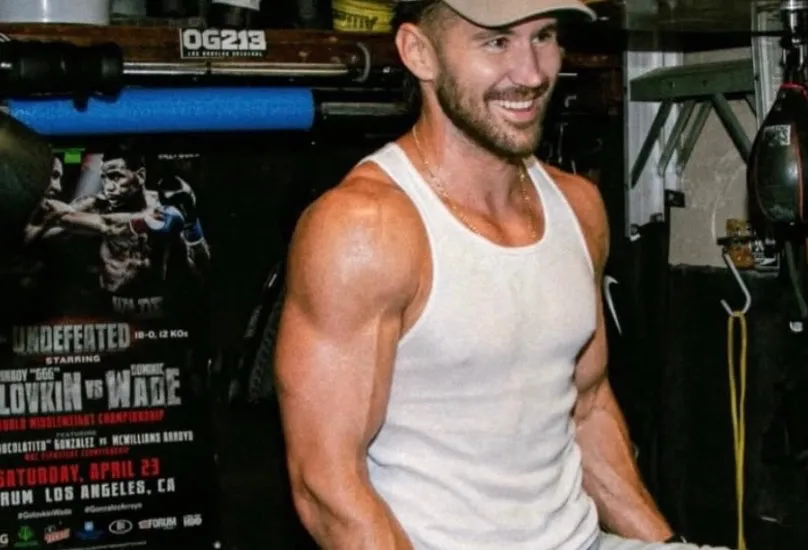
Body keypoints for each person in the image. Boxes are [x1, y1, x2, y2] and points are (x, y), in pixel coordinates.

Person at [274, 1, 732, 549]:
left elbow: (586, 408)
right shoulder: (366, 229)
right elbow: (326, 485)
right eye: (496, 41)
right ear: (419, 53)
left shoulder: (578, 207)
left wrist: (667, 546)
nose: (532, 73)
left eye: (543, 36)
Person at [36, 146, 209, 316]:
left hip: (157, 305)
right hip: (109, 305)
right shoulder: (95, 205)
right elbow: (40, 233)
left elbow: (201, 267)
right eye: (104, 178)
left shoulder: (165, 205)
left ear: (140, 176)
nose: (108, 187)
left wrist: (191, 223)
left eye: (115, 177)